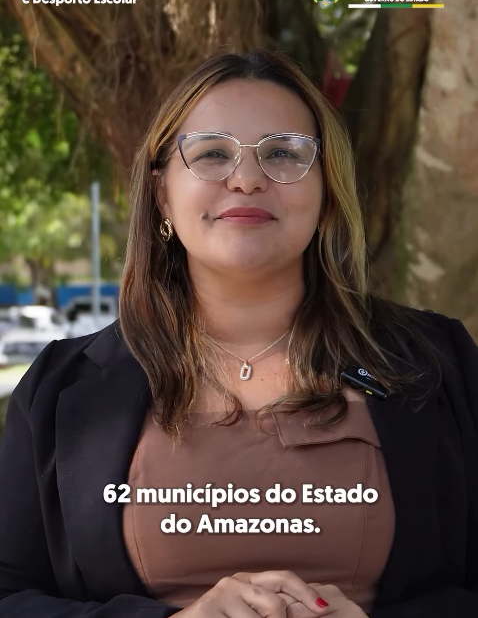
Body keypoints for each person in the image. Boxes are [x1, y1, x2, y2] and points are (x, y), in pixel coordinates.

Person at [0, 50, 477, 618]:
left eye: (283, 153)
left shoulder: (439, 363)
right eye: (212, 154)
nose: (248, 179)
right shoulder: (59, 389)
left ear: (326, 191)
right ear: (161, 195)